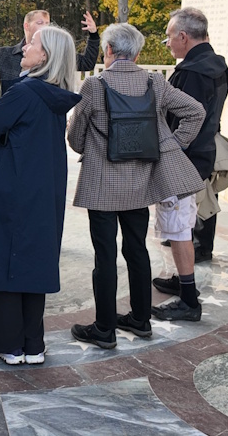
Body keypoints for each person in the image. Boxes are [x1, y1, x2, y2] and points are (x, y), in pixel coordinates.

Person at [67, 23, 205, 349]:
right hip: (142, 182)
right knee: (137, 250)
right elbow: (195, 112)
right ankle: (141, 320)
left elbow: (75, 136)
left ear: (109, 50)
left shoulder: (94, 86)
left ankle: (104, 329)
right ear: (139, 53)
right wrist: (169, 143)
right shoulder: (154, 81)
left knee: (105, 256)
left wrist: (88, 146)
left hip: (101, 185)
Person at [0, 25, 82, 365]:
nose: (24, 48)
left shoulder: (25, 92)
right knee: (32, 261)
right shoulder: (55, 96)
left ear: (46, 56)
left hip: (11, 184)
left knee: (0, 260)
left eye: (32, 44)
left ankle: (9, 344)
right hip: (43, 186)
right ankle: (32, 344)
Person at [150, 7, 228, 322]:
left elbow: (182, 119)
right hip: (201, 155)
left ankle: (188, 298)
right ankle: (181, 281)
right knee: (181, 225)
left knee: (180, 230)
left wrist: (169, 150)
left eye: (170, 36)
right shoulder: (216, 65)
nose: (168, 42)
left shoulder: (191, 73)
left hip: (183, 161)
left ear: (183, 36)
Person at [0, 10, 101, 96]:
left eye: (47, 23)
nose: (46, 27)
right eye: (40, 23)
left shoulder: (57, 54)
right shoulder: (6, 54)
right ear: (26, 26)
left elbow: (87, 64)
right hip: (11, 120)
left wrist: (94, 35)